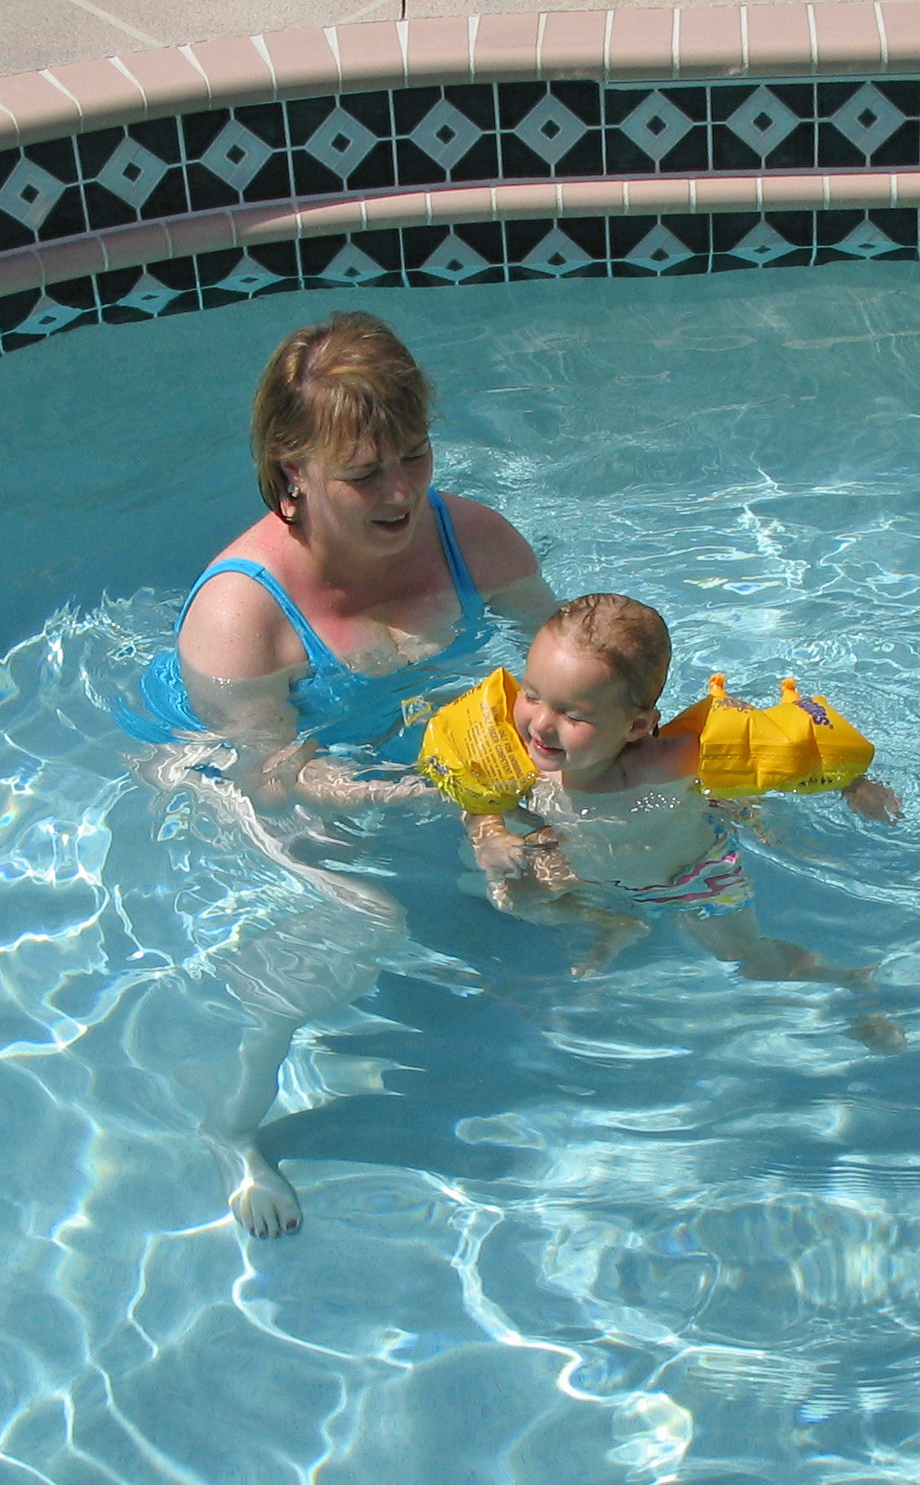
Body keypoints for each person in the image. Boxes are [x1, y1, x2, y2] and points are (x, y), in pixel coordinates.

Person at [122, 311, 555, 1238]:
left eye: (415, 455)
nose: (401, 492)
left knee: (584, 848)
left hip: (396, 754)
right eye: (363, 475)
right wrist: (413, 797)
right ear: (294, 471)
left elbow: (568, 675)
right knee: (364, 920)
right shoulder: (241, 617)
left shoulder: (476, 541)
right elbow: (272, 781)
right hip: (223, 771)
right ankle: (236, 1130)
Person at [431, 594, 903, 984]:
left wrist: (855, 785)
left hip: (691, 880)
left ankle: (848, 981)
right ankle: (613, 922)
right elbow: (478, 795)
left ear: (637, 726)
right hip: (582, 862)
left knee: (745, 959)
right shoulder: (514, 749)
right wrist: (490, 835)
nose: (540, 724)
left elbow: (790, 749)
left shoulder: (666, 764)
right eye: (532, 695)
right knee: (511, 894)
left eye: (571, 715)